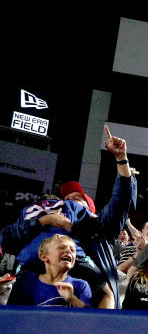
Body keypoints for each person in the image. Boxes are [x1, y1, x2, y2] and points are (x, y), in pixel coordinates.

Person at [0, 126, 136, 308]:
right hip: (36, 266)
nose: (69, 201)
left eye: (77, 198)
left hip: (55, 268)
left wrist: (121, 160)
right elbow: (6, 238)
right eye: (66, 198)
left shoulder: (98, 227)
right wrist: (45, 221)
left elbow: (120, 204)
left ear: (91, 208)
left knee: (104, 293)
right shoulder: (38, 217)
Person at [7, 234, 92, 307]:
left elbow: (90, 318)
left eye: (72, 250)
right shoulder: (25, 282)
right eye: (61, 248)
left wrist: (72, 299)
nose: (68, 251)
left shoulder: (81, 285)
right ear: (44, 256)